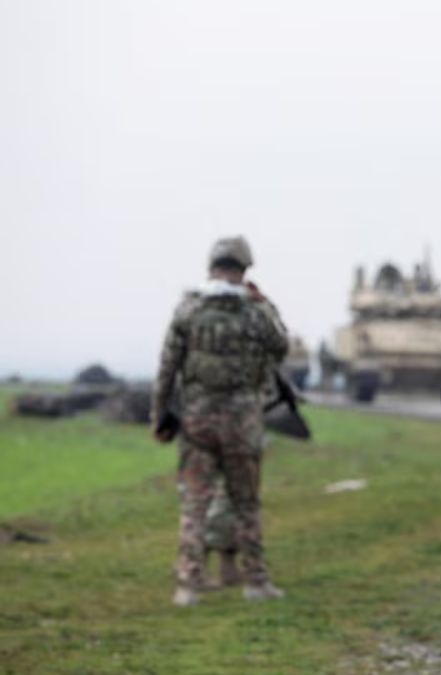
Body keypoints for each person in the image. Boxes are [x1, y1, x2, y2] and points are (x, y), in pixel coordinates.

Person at [151, 236, 289, 607]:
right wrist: (265, 303)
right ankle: (256, 582)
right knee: (246, 503)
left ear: (212, 266)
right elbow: (281, 346)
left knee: (195, 504)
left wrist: (159, 415)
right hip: (242, 425)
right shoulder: (254, 313)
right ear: (244, 270)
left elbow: (167, 369)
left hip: (198, 423)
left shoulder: (189, 310)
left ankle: (187, 586)